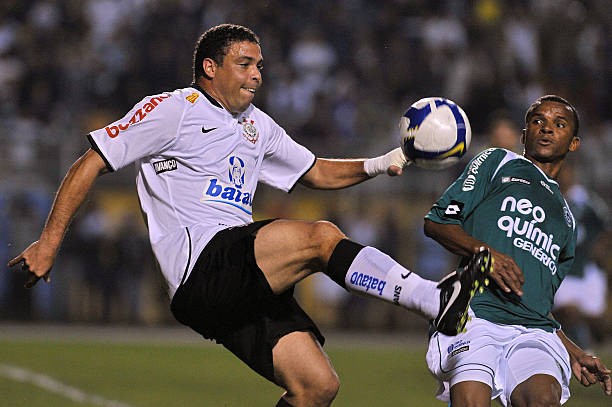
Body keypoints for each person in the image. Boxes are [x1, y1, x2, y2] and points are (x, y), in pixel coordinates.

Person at [7, 24, 492, 407]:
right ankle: (433, 300)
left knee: (317, 387)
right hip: (203, 266)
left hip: (241, 279)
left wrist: (390, 161)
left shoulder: (257, 125)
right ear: (209, 68)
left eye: (260, 64)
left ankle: (434, 301)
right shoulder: (175, 109)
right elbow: (91, 159)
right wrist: (49, 243)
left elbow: (316, 172)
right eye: (244, 64)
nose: (257, 74)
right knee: (320, 236)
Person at [423, 95, 611, 406]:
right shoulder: (497, 162)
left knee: (542, 399)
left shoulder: (567, 220)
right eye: (538, 121)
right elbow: (437, 223)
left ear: (574, 143)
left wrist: (573, 350)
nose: (547, 129)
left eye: (559, 124)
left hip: (531, 332)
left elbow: (537, 303)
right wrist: (485, 255)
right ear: (524, 136)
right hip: (475, 316)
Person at [553, 160, 609, 350]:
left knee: (600, 324)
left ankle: (592, 342)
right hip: (563, 270)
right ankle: (579, 345)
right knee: (567, 312)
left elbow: (606, 227)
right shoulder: (550, 199)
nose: (564, 176)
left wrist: (600, 248)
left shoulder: (586, 201)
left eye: (567, 171)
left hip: (587, 269)